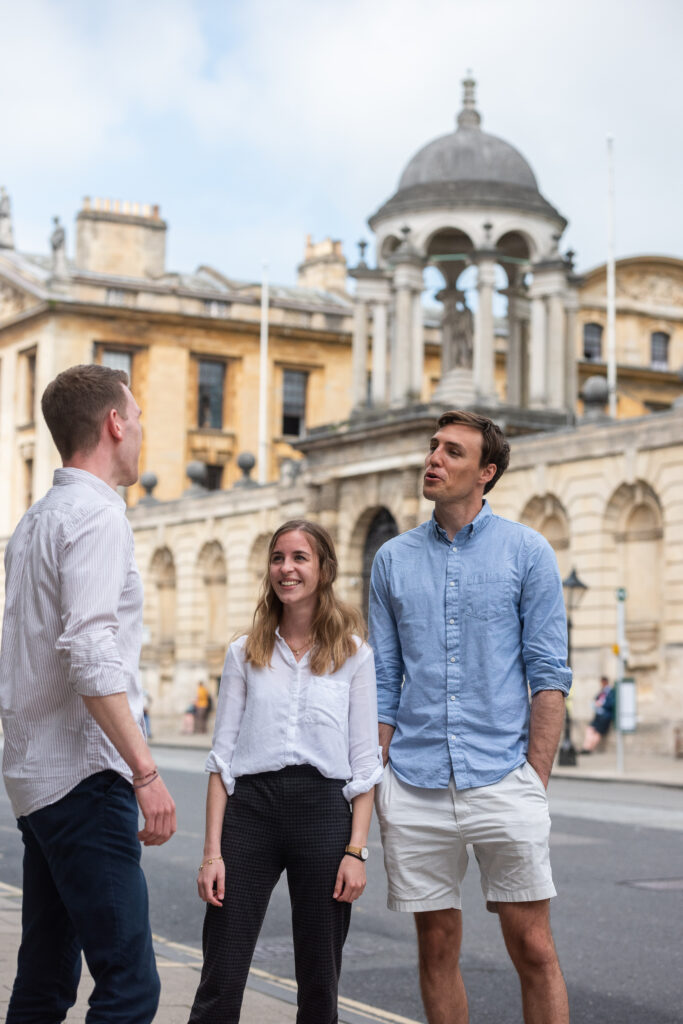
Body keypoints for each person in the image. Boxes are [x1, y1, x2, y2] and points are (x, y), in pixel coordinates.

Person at [369, 409, 572, 1024]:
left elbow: (549, 674)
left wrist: (533, 778)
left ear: (485, 472)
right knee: (436, 947)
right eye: (433, 447)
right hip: (415, 780)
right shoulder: (392, 561)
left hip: (503, 774)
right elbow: (382, 680)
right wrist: (373, 776)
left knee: (533, 946)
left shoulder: (528, 552)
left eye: (452, 452)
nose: (434, 459)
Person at [0, 364, 176, 1024]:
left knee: (46, 975)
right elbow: (90, 653)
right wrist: (147, 772)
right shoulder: (97, 517)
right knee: (129, 985)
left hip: (36, 778)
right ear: (114, 423)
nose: (139, 434)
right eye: (137, 418)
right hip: (81, 778)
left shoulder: (36, 521)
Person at [188, 519, 382, 1024]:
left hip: (323, 813)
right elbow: (222, 760)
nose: (286, 568)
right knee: (222, 971)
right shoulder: (243, 653)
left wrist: (356, 851)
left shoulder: (355, 656)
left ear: (324, 569)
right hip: (250, 812)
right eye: (278, 557)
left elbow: (365, 763)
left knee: (320, 978)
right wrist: (212, 853)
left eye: (300, 557)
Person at [581, 676, 615, 753]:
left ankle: (589, 749)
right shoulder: (602, 691)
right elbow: (596, 698)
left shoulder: (610, 692)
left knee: (598, 733)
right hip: (598, 715)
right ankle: (586, 747)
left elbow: (611, 703)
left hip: (605, 716)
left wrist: (602, 704)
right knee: (590, 729)